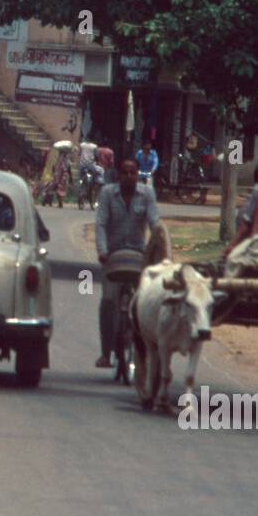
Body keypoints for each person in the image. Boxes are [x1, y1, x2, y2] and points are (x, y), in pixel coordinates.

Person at [94, 157, 161, 369]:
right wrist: (102, 250)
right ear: (119, 174)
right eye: (125, 172)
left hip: (138, 256)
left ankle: (143, 351)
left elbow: (154, 223)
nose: (129, 177)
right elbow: (101, 224)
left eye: (133, 173)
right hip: (112, 256)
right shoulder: (107, 193)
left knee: (143, 303)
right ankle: (105, 353)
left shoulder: (147, 194)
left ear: (138, 174)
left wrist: (157, 249)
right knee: (108, 302)